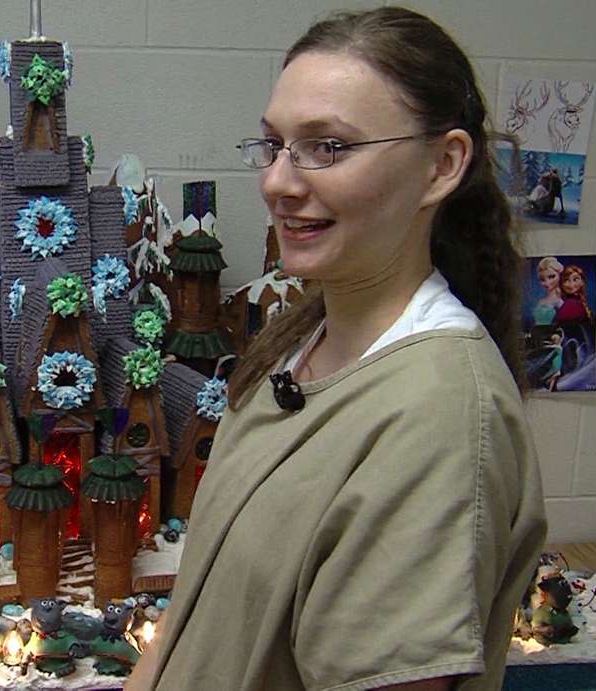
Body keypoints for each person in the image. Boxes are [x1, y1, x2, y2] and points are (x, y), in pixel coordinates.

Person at [127, 8, 545, 690]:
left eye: (328, 147)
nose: (278, 182)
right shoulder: (296, 344)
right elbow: (190, 620)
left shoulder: (433, 416)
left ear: (442, 165)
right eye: (275, 144)